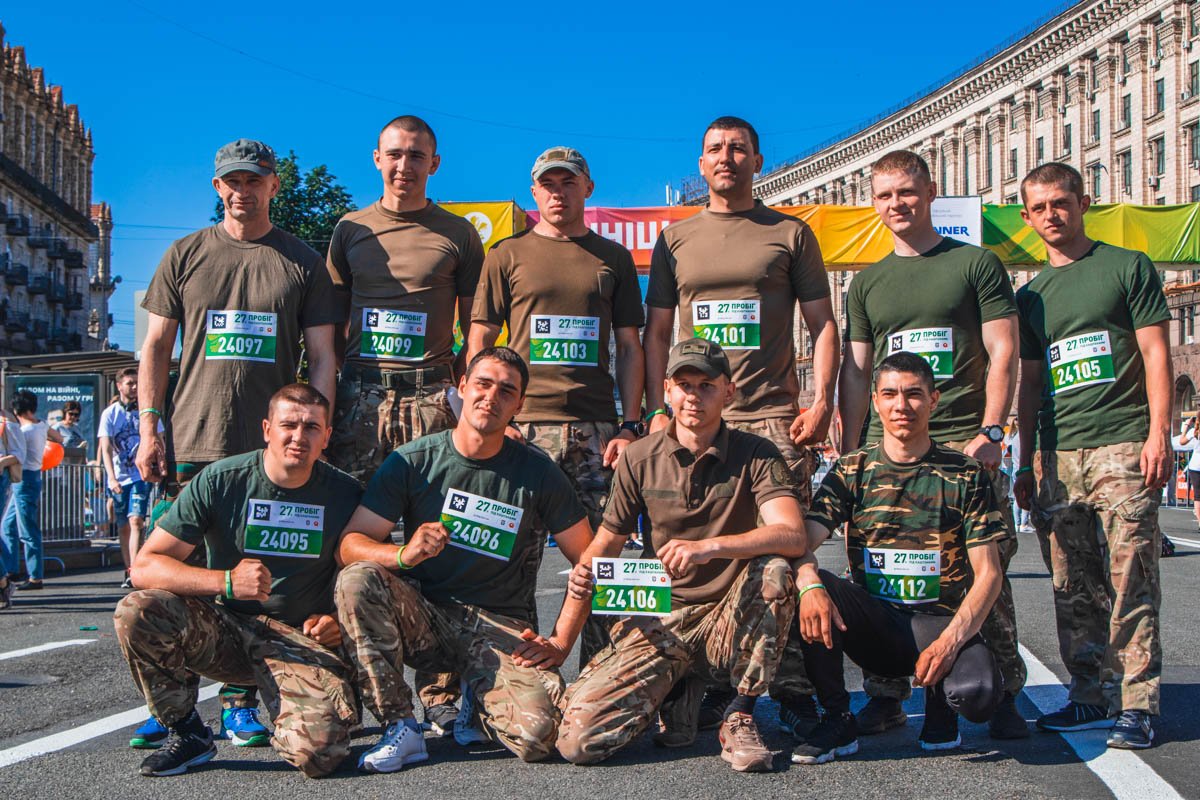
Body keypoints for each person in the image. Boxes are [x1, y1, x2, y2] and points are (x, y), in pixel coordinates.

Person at [133, 138, 343, 749]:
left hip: (271, 453)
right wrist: (151, 425)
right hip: (195, 435)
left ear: (273, 185)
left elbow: (324, 357)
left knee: (258, 570)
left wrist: (316, 432)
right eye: (230, 181)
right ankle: (167, 704)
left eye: (253, 180)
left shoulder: (302, 262)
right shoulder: (185, 254)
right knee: (173, 573)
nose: (241, 191)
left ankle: (239, 700)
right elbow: (155, 349)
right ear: (217, 187)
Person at [334, 346, 626, 773]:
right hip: (426, 618)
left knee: (540, 736)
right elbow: (349, 544)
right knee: (358, 579)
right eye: (483, 384)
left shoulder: (538, 472)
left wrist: (562, 640)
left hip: (501, 626)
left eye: (507, 391)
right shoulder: (412, 461)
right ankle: (401, 725)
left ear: (519, 405)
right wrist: (402, 553)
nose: (492, 396)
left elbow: (590, 560)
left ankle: (479, 694)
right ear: (462, 387)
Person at [643, 115, 838, 736]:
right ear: (700, 165)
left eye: (737, 149)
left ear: (757, 159)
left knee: (790, 550)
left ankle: (798, 690)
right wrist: (656, 406)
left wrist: (822, 398)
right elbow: (655, 330)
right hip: (696, 415)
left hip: (773, 417)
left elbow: (823, 323)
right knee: (700, 545)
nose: (725, 158)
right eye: (714, 150)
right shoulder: (677, 240)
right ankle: (709, 682)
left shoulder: (789, 233)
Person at [837, 149, 1027, 739]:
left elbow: (1003, 350)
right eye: (885, 194)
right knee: (881, 568)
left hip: (962, 447)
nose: (897, 204)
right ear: (874, 201)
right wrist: (852, 446)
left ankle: (1006, 692)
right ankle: (886, 694)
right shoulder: (868, 282)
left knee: (983, 571)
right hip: (883, 453)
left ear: (931, 192)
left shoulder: (974, 263)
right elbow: (857, 371)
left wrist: (993, 430)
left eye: (907, 192)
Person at [556, 338, 805, 773]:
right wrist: (565, 626)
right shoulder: (638, 457)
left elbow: (791, 533)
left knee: (775, 569)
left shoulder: (757, 454)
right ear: (667, 391)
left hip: (728, 617)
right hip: (661, 616)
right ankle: (678, 689)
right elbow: (606, 544)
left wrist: (712, 546)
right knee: (579, 742)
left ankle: (739, 714)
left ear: (729, 391)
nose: (694, 396)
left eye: (707, 385)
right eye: (684, 384)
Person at [324, 116, 484, 733]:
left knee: (435, 537)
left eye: (416, 156)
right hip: (361, 398)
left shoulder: (458, 235)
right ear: (375, 158)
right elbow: (331, 325)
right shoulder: (349, 230)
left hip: (428, 398)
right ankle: (346, 685)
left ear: (434, 164)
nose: (404, 165)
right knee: (349, 536)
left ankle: (441, 693)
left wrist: (466, 396)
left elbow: (476, 323)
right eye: (394, 154)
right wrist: (330, 396)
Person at [115, 384, 361, 777]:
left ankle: (311, 711)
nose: (299, 437)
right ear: (267, 429)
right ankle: (187, 731)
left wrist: (337, 618)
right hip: (225, 632)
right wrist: (225, 581)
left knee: (321, 755)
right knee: (138, 610)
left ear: (327, 436)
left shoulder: (347, 494)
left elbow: (370, 575)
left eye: (312, 427)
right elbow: (145, 566)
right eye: (288, 425)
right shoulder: (220, 480)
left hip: (299, 638)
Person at [467, 146, 645, 674]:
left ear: (587, 189)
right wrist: (491, 416)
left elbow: (630, 345)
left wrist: (630, 423)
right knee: (506, 560)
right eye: (548, 183)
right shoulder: (507, 254)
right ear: (534, 192)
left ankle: (599, 676)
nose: (557, 192)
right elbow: (481, 336)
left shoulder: (611, 258)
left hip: (595, 429)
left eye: (568, 182)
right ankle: (507, 681)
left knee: (598, 561)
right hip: (521, 428)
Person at [1013, 163, 1172, 750]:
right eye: (1039, 208)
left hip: (1123, 443)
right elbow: (1030, 385)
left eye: (1061, 203)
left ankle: (1139, 702)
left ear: (1083, 203)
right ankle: (1088, 695)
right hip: (1058, 455)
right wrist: (1027, 459)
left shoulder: (1125, 267)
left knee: (1132, 578)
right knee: (1072, 584)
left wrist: (1160, 434)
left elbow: (1157, 355)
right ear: (1027, 218)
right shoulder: (1029, 297)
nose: (1051, 216)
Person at [792, 352, 1004, 764]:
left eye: (913, 394)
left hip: (938, 625)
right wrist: (810, 585)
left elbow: (989, 574)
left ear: (934, 400)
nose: (900, 406)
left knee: (978, 696)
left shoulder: (965, 474)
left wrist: (948, 644)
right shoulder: (852, 470)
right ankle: (837, 718)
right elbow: (802, 543)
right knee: (796, 579)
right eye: (889, 394)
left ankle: (942, 703)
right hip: (874, 625)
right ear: (874, 401)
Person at [0, 390, 64, 591]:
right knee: (8, 525)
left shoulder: (23, 430)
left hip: (23, 478)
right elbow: (59, 438)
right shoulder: (42, 425)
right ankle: (10, 570)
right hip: (34, 475)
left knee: (27, 529)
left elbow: (17, 453)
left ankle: (35, 576)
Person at [99, 368, 157, 588]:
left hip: (140, 474)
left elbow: (157, 436)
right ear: (119, 386)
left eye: (136, 383)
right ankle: (127, 569)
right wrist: (111, 478)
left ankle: (135, 571)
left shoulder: (146, 412)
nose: (134, 387)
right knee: (123, 525)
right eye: (129, 383)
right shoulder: (110, 413)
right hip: (119, 477)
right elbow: (105, 448)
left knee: (137, 521)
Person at [0, 409, 25, 609]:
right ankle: (3, 583)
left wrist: (2, 462)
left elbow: (19, 454)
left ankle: (4, 584)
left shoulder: (6, 421)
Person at [1172, 417, 1200, 529]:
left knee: (1198, 496)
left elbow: (1181, 441)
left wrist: (1187, 426)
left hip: (1195, 465)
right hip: (1195, 466)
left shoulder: (1194, 431)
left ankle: (1199, 522)